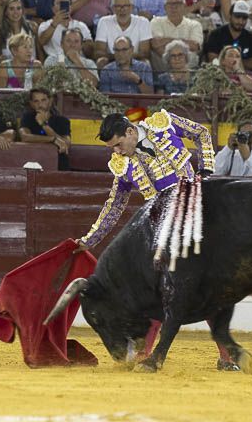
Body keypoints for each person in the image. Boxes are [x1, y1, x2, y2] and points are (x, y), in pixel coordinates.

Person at [74, 109, 215, 296]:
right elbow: (115, 205)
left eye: (118, 144)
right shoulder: (122, 165)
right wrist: (89, 241)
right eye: (113, 148)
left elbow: (200, 133)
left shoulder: (163, 124)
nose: (117, 151)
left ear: (130, 131)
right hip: (165, 223)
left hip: (197, 204)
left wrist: (205, 171)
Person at [18, 86, 72, 170]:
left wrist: (43, 124)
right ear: (31, 104)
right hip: (34, 162)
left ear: (50, 101)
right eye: (36, 101)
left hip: (58, 165)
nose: (40, 104)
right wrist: (52, 139)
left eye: (43, 100)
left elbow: (65, 144)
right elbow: (24, 137)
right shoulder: (27, 118)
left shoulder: (62, 120)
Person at [149, 0, 202, 70]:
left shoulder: (194, 25)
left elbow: (194, 46)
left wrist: (167, 40)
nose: (173, 7)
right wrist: (184, 43)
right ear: (165, 7)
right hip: (162, 71)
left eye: (178, 3)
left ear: (184, 6)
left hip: (189, 71)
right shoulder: (156, 22)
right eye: (170, 4)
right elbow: (156, 44)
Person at [201, 1, 252, 70]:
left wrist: (227, 61)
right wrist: (237, 62)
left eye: (244, 18)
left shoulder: (251, 38)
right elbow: (213, 61)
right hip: (219, 74)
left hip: (243, 76)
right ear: (230, 16)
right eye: (237, 17)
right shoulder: (216, 34)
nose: (240, 22)